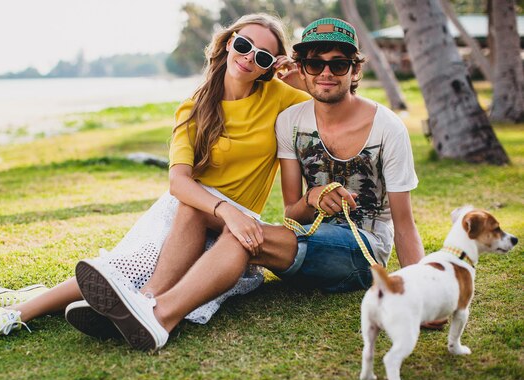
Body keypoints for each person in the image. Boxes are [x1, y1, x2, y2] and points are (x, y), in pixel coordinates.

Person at [0, 13, 311, 347]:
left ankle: (126, 307)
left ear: (270, 68)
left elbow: (331, 100)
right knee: (130, 267)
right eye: (245, 45)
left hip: (232, 229)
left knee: (141, 278)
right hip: (189, 209)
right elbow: (179, 183)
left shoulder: (280, 98)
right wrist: (224, 211)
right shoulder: (195, 108)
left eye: (264, 57)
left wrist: (297, 77)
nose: (250, 58)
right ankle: (12, 315)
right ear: (229, 42)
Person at [70, 17, 425, 351]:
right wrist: (313, 196)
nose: (327, 73)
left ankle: (159, 317)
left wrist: (419, 297)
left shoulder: (387, 128)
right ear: (301, 69)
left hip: (363, 252)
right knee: (209, 213)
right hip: (303, 243)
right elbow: (292, 212)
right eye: (315, 65)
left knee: (247, 237)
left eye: (339, 65)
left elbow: (405, 225)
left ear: (355, 70)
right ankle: (143, 303)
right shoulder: (292, 123)